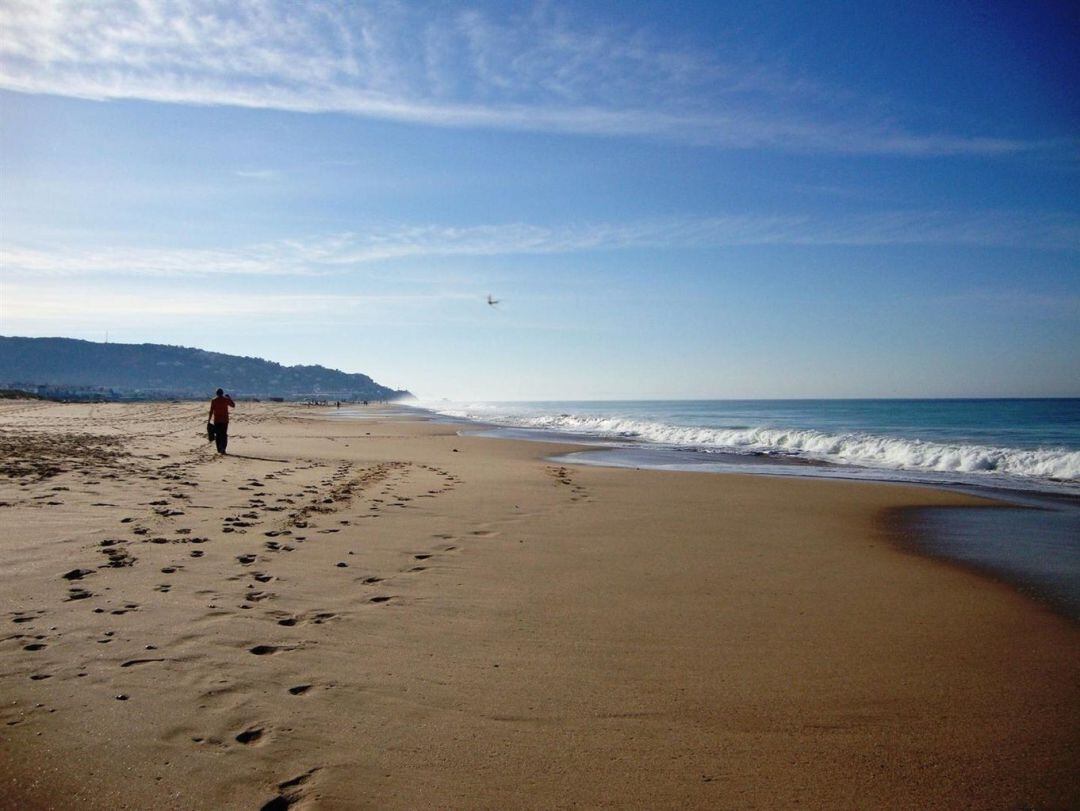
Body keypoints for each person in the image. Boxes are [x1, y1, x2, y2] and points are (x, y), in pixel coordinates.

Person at [208, 388, 235, 454]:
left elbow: (211, 411)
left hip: (217, 420)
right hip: (225, 420)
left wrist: (209, 420)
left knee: (218, 435)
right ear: (222, 393)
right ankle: (223, 448)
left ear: (216, 394)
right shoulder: (226, 400)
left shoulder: (214, 400)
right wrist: (229, 398)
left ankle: (219, 449)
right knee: (224, 435)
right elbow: (233, 405)